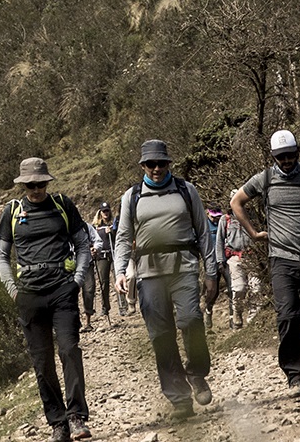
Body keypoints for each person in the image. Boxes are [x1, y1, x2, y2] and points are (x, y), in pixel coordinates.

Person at [231, 129, 300, 399]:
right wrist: (254, 233)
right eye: (281, 157)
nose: (287, 161)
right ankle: (295, 377)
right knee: (288, 318)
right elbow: (236, 202)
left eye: (291, 155)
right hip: (281, 259)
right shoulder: (265, 179)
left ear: (298, 152)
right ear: (273, 157)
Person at [113, 140, 219, 420]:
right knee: (161, 336)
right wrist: (120, 272)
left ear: (169, 164)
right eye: (151, 164)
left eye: (161, 163)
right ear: (142, 166)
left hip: (183, 268)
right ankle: (180, 399)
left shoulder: (186, 190)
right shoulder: (132, 196)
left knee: (191, 321)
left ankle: (196, 373)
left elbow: (204, 232)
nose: (157, 168)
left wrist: (211, 272)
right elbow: (123, 237)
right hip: (149, 274)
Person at [0, 157, 96, 442]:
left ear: (47, 182)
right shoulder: (12, 212)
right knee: (42, 363)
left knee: (69, 350)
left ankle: (76, 416)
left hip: (61, 291)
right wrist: (11, 289)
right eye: (30, 184)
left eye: (40, 183)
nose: (36, 189)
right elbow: (1, 254)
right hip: (28, 295)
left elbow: (82, 243)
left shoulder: (63, 205)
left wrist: (76, 280)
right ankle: (58, 423)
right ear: (23, 184)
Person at [220, 206, 255, 328]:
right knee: (239, 288)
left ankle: (253, 319)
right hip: (234, 258)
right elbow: (219, 240)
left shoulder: (252, 216)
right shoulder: (226, 219)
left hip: (252, 256)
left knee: (256, 288)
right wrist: (220, 260)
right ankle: (237, 313)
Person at [85, 201, 116, 324]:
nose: (106, 213)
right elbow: (93, 241)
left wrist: (112, 232)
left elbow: (119, 237)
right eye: (103, 211)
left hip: (113, 254)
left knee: (118, 279)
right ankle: (105, 307)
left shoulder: (114, 224)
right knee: (104, 282)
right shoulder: (94, 226)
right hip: (102, 256)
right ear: (100, 212)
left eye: (107, 210)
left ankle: (123, 306)